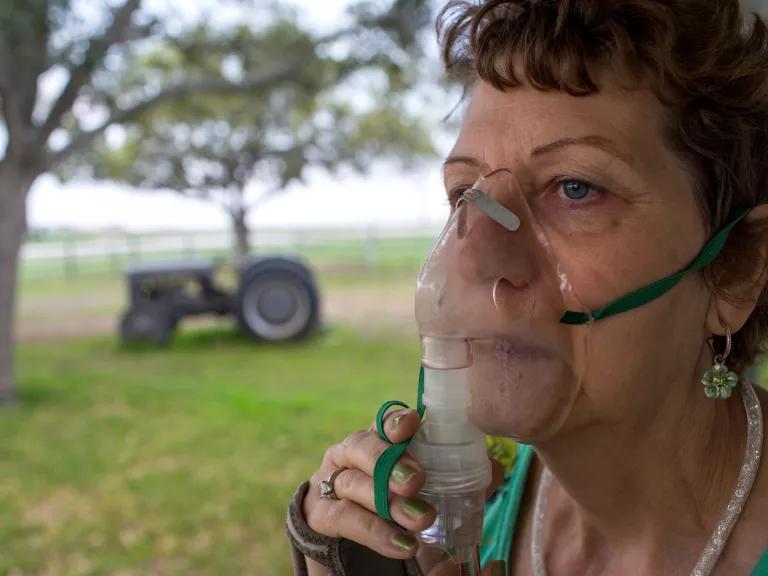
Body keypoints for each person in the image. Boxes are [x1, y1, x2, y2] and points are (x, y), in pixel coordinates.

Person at [285, 0, 768, 574]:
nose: (471, 257)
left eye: (575, 188)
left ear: (735, 267)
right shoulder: (462, 520)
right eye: (465, 194)